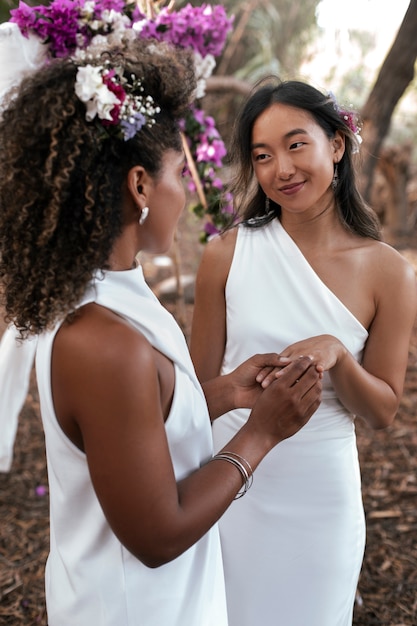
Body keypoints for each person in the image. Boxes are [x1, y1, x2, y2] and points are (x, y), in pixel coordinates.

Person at [0, 39, 322, 626]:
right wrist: (261, 433)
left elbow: (139, 421)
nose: (191, 192)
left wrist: (222, 393)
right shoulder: (99, 338)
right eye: (182, 171)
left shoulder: (118, 292)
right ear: (141, 186)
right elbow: (156, 534)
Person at [190, 78, 417, 626]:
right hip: (230, 487)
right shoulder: (225, 255)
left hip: (321, 500)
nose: (281, 170)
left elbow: (383, 411)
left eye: (296, 145)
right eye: (262, 156)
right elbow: (197, 397)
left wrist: (340, 353)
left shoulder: (389, 271)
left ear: (336, 145)